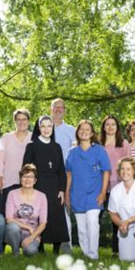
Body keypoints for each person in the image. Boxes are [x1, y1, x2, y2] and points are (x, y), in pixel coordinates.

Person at [23, 115, 70, 254]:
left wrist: (62, 189)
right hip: (38, 185)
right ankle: (40, 247)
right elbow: (26, 168)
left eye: (49, 126)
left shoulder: (57, 146)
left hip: (55, 186)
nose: (46, 129)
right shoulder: (32, 146)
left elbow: (62, 170)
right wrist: (30, 188)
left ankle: (56, 249)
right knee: (39, 216)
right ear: (38, 128)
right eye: (43, 126)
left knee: (56, 217)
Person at [65, 120, 110, 260]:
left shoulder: (99, 150)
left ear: (92, 133)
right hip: (77, 194)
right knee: (82, 229)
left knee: (92, 221)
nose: (84, 132)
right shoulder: (72, 152)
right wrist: (67, 193)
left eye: (87, 129)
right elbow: (69, 174)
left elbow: (106, 172)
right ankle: (86, 253)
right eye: (81, 129)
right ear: (77, 132)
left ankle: (93, 254)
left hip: (94, 195)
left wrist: (103, 193)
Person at [99, 115, 131, 256]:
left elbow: (129, 164)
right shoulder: (98, 144)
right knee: (96, 217)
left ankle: (116, 251)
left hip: (119, 186)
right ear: (103, 127)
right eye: (107, 124)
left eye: (113, 124)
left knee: (116, 219)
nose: (110, 127)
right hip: (101, 186)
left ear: (117, 127)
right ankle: (91, 250)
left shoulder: (123, 143)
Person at [4, 164, 48, 256]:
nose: (27, 179)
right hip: (14, 232)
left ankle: (27, 247)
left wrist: (32, 237)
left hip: (32, 234)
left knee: (30, 251)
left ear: (35, 180)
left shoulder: (42, 196)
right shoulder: (12, 194)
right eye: (24, 176)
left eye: (31, 177)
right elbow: (9, 219)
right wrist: (28, 227)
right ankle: (15, 253)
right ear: (20, 179)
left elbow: (43, 223)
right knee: (13, 227)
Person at [50, 98, 76, 253]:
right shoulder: (42, 127)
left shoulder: (71, 130)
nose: (59, 110)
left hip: (65, 175)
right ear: (50, 109)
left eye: (62, 107)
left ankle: (66, 244)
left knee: (64, 210)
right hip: (46, 176)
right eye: (56, 107)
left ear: (65, 110)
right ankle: (41, 245)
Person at [0, 109, 32, 204]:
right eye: (18, 119)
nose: (21, 122)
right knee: (9, 216)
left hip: (29, 184)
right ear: (15, 121)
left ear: (28, 121)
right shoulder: (6, 138)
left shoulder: (34, 139)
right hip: (8, 183)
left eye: (24, 119)